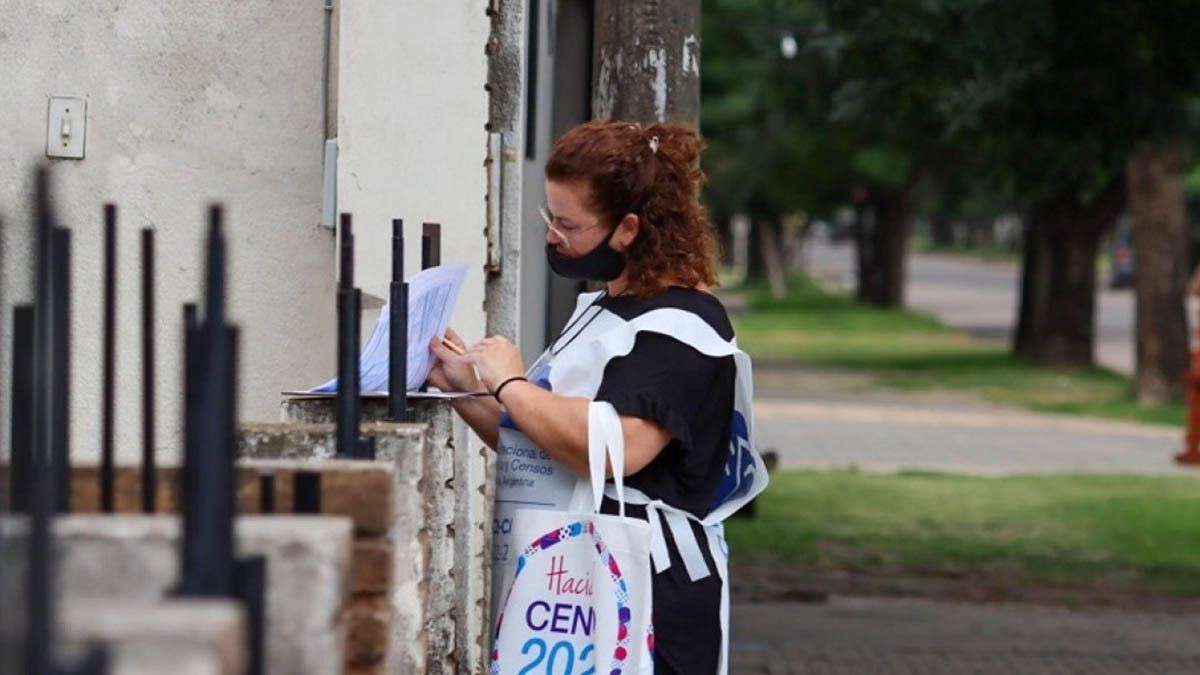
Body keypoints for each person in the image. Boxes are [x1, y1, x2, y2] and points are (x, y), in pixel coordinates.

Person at [428, 119, 766, 674]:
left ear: (628, 229)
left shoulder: (683, 325)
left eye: (567, 224)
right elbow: (548, 444)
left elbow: (617, 450)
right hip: (577, 583)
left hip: (649, 591)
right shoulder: (607, 308)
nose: (552, 238)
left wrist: (510, 383)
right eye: (550, 217)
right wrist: (462, 389)